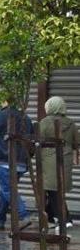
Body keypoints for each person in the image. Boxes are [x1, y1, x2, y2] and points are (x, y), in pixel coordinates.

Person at [0, 101, 33, 230]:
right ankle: (0, 220)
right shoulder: (25, 117)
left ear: (5, 101)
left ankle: (23, 216)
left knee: (8, 190)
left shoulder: (2, 115)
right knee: (5, 190)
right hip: (21, 161)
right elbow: (31, 139)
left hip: (5, 159)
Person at [38, 96, 80, 231]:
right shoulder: (71, 123)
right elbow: (76, 143)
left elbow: (38, 141)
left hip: (49, 159)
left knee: (52, 190)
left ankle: (63, 219)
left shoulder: (44, 123)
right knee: (57, 190)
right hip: (65, 159)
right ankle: (54, 217)